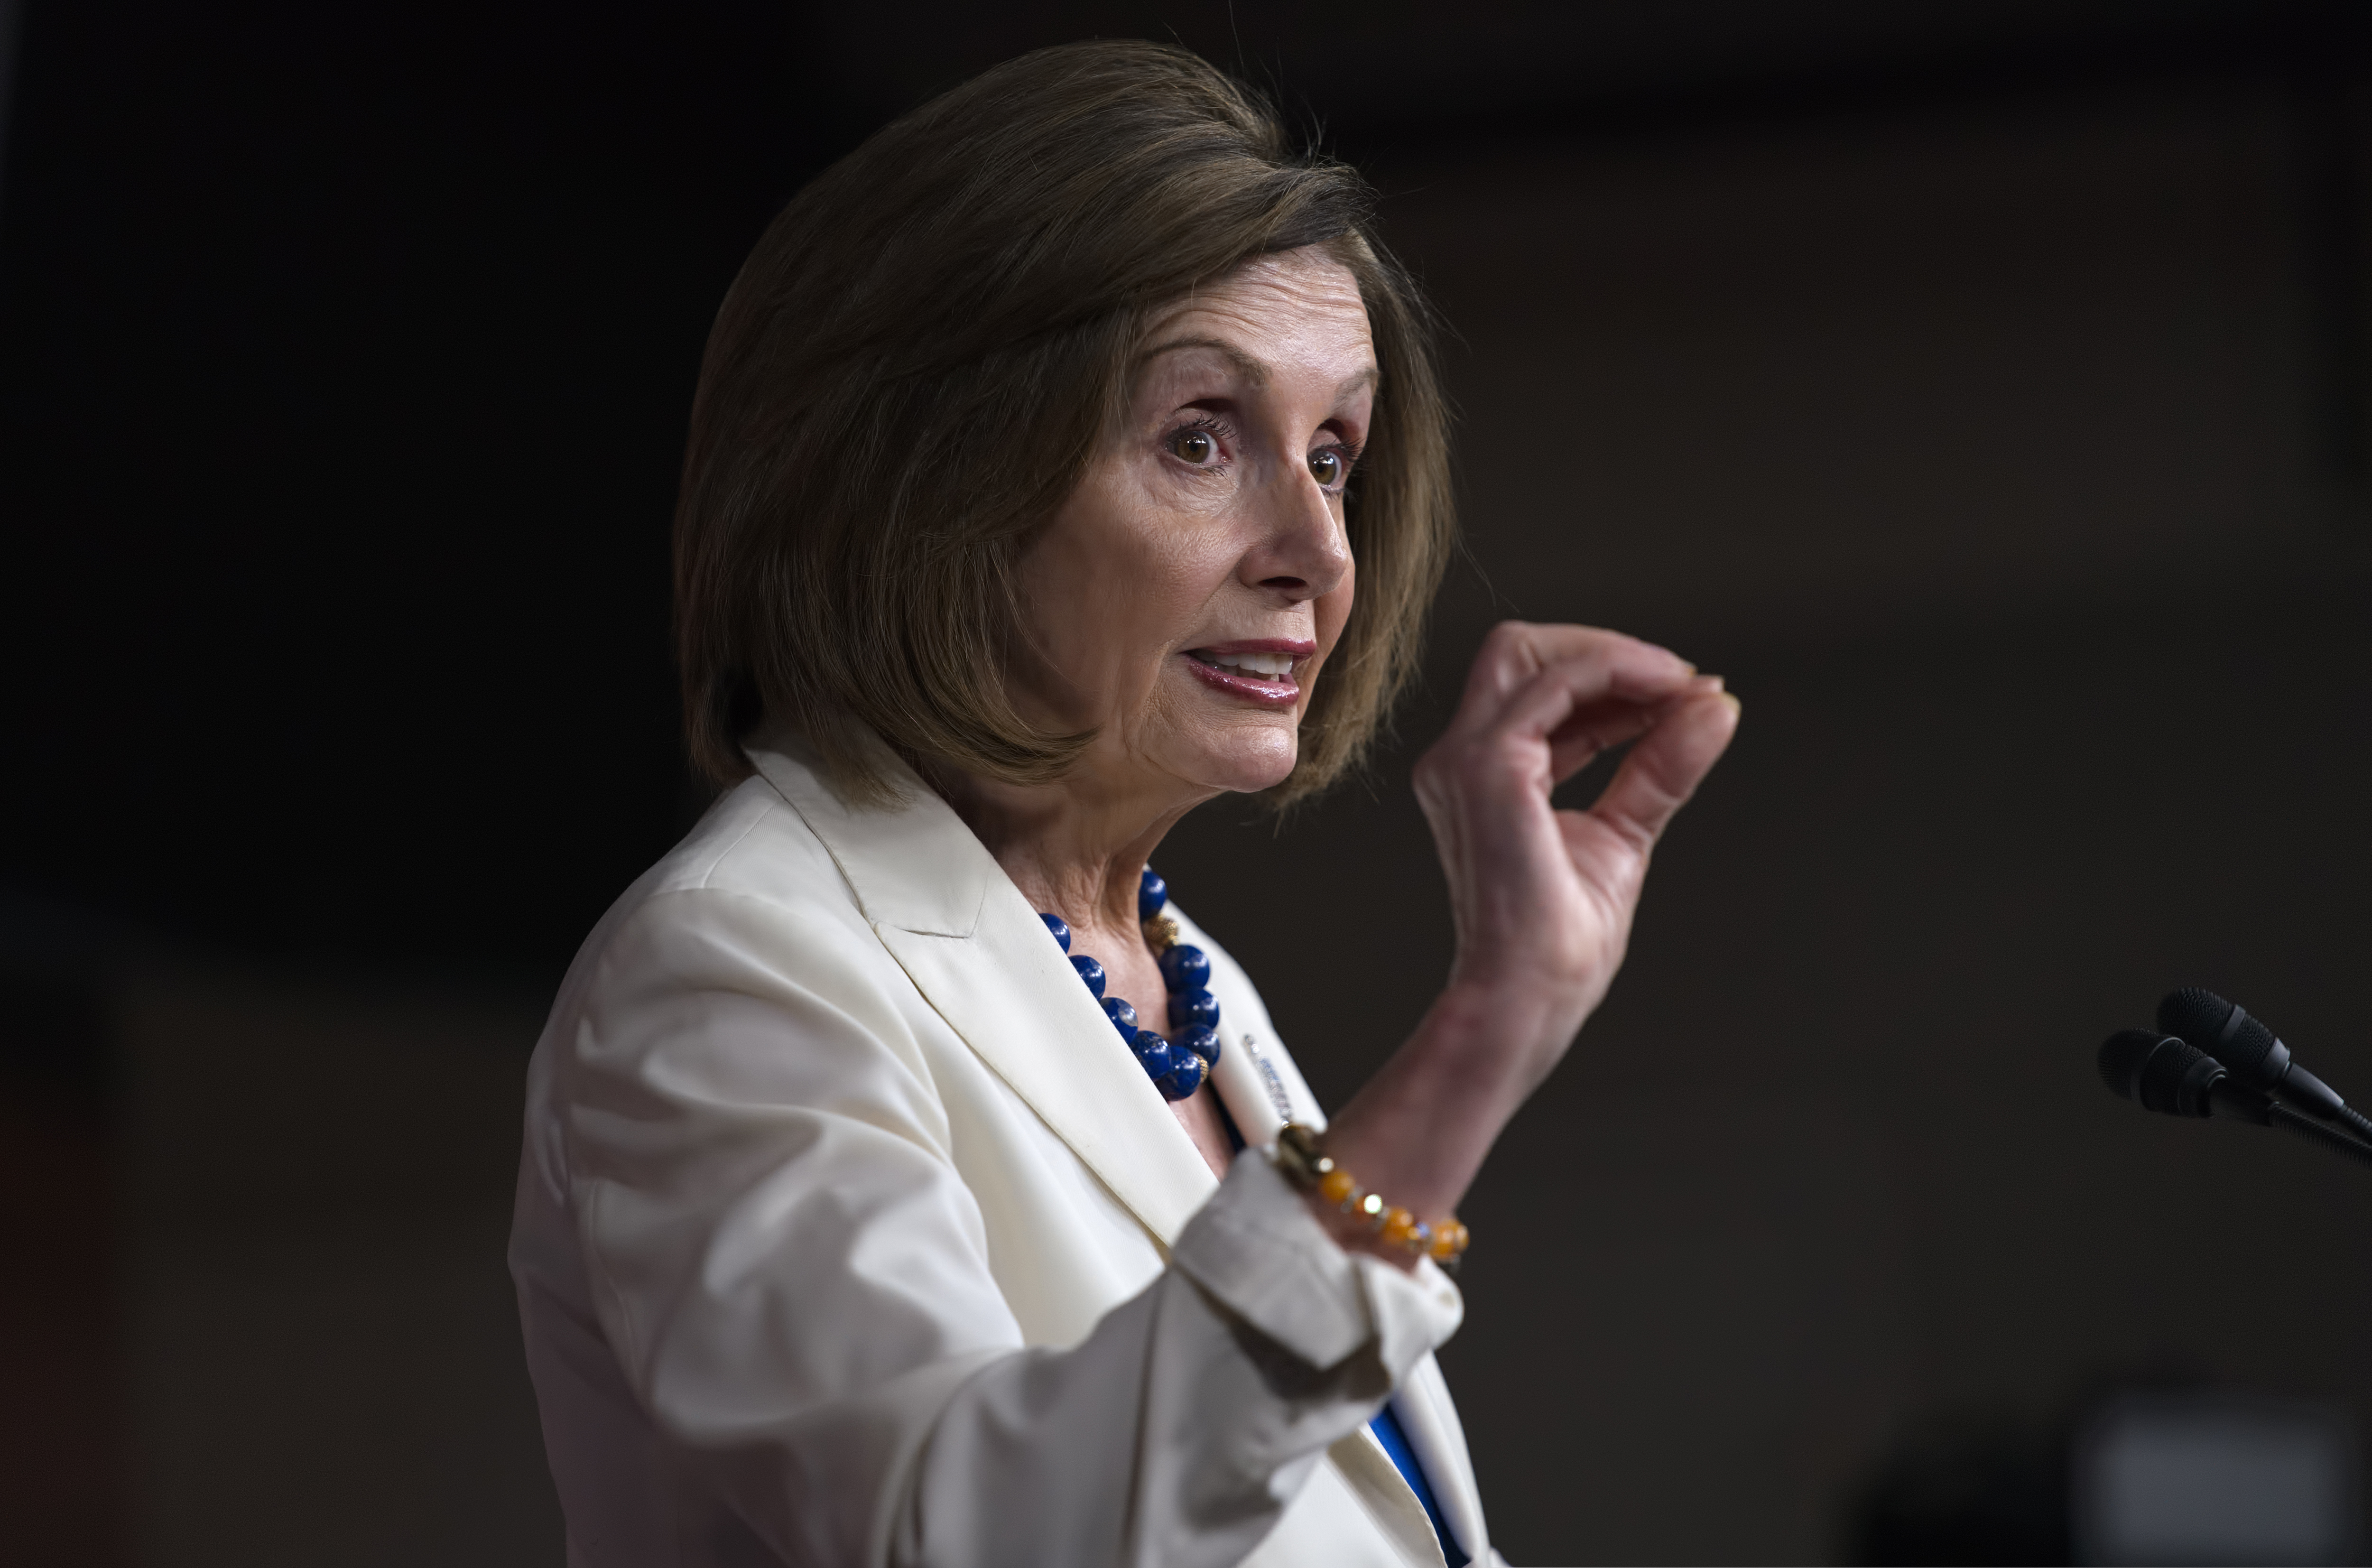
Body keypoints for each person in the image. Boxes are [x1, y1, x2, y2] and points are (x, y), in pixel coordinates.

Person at [508, 38, 1737, 1568]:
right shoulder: (730, 969)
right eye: (1201, 439)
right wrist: (1487, 1032)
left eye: (1336, 453)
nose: (1315, 551)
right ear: (928, 481)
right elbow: (972, 1539)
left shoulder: (1189, 985)